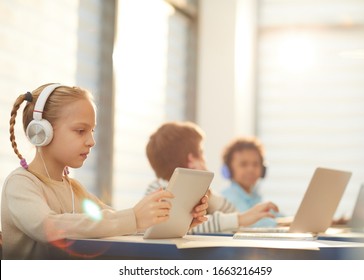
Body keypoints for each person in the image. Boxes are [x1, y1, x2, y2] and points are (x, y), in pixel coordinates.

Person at [1, 83, 208, 259]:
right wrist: (134, 217)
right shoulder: (20, 184)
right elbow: (49, 227)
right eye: (80, 131)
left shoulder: (74, 189)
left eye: (91, 131)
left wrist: (173, 220)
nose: (91, 141)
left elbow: (111, 222)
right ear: (41, 133)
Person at [145, 121, 279, 234]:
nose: (205, 158)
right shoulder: (158, 190)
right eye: (202, 152)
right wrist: (239, 219)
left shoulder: (192, 193)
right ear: (191, 159)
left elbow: (231, 211)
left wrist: (208, 192)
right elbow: (187, 227)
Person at [221, 137, 283, 227]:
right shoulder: (228, 198)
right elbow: (255, 224)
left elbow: (278, 216)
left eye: (256, 164)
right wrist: (281, 225)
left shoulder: (255, 196)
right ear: (229, 170)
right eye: (243, 164)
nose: (251, 169)